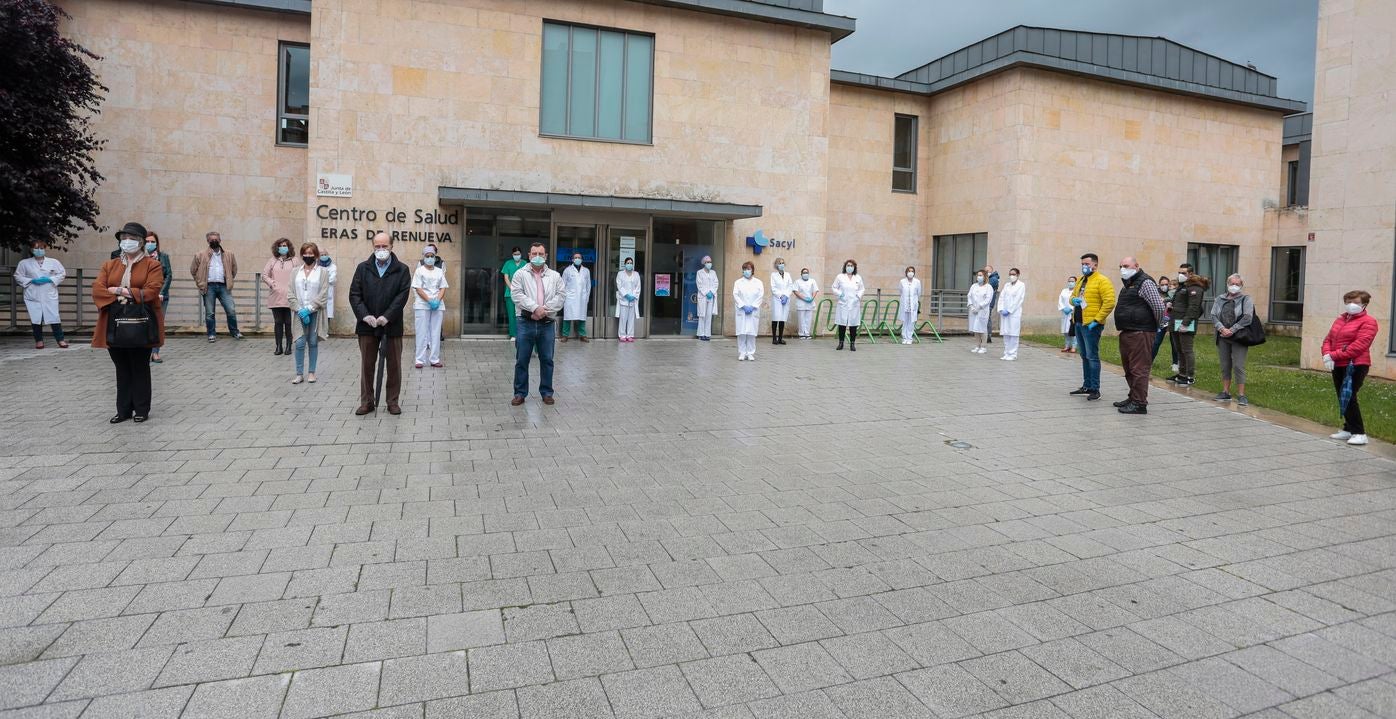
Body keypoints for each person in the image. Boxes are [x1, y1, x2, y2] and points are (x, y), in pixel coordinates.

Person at [92, 222, 164, 423]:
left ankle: (141, 408)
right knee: (121, 367)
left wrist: (122, 291)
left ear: (140, 242)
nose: (126, 242)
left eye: (131, 238)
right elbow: (98, 289)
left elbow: (152, 291)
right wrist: (122, 294)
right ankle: (123, 410)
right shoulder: (110, 264)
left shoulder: (153, 265)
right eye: (123, 238)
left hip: (141, 322)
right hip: (114, 322)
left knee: (139, 366)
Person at [349, 233, 411, 415]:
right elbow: (354, 294)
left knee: (394, 365)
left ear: (392, 246)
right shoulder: (363, 268)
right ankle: (367, 401)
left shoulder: (402, 269)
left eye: (384, 246)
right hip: (367, 326)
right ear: (373, 247)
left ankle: (392, 401)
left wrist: (388, 316)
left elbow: (402, 296)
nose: (381, 250)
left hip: (392, 326)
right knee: (367, 365)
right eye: (378, 246)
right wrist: (365, 315)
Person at [510, 242, 564, 405]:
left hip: (547, 323)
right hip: (525, 322)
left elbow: (561, 296)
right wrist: (534, 308)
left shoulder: (555, 276)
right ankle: (520, 393)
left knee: (547, 359)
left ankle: (547, 392)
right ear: (529, 255)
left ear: (546, 256)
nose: (537, 257)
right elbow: (517, 295)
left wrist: (544, 310)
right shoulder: (520, 274)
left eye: (541, 254)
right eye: (534, 254)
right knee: (522, 360)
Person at [1323, 290, 1379, 446]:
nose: (1350, 305)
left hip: (1356, 364)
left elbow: (1360, 345)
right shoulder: (1340, 319)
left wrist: (1333, 355)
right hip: (1338, 364)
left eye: (1355, 302)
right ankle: (1348, 429)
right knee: (1342, 396)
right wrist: (1326, 353)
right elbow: (1329, 339)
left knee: (1349, 397)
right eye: (1347, 302)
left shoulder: (1369, 322)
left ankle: (1359, 433)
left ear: (1364, 304)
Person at [1113, 257, 1166, 414]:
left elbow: (1158, 306)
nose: (1123, 269)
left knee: (1139, 369)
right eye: (1121, 266)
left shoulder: (1145, 282)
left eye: (1126, 266)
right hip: (1128, 331)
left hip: (1141, 332)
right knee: (1129, 368)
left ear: (1136, 266)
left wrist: (1156, 325)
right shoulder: (1128, 285)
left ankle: (1139, 403)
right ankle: (1133, 396)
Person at [1069, 253, 1116, 401]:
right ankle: (1087, 385)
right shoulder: (1082, 280)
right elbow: (1072, 297)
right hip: (1078, 321)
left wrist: (1097, 319)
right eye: (1082, 264)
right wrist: (1073, 301)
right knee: (1084, 356)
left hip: (1091, 325)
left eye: (1087, 264)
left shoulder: (1102, 281)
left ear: (1095, 265)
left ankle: (1095, 389)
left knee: (1092, 356)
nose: (1084, 266)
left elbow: (1109, 302)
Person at [14, 239, 67, 349]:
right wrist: (31, 281)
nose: (39, 250)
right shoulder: (24, 263)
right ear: (32, 249)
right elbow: (18, 276)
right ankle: (39, 341)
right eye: (36, 248)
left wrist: (50, 279)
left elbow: (62, 274)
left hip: (49, 294)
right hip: (33, 294)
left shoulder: (54, 262)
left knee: (54, 317)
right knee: (36, 318)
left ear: (45, 249)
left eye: (41, 248)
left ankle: (60, 340)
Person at [190, 231, 243, 342]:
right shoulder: (200, 255)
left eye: (216, 239)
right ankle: (211, 334)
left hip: (224, 286)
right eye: (211, 239)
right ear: (208, 241)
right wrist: (200, 283)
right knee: (210, 312)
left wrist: (229, 279)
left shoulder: (229, 254)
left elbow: (234, 269)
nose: (214, 241)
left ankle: (235, 332)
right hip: (209, 287)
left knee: (231, 310)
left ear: (220, 240)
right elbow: (193, 270)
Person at [289, 242, 330, 385]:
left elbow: (324, 293)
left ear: (316, 255)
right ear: (302, 255)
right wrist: (300, 310)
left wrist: (310, 309)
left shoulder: (323, 272)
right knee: (299, 343)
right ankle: (299, 374)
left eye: (311, 253)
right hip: (299, 313)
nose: (308, 256)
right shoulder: (295, 271)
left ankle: (312, 372)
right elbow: (290, 293)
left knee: (313, 342)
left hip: (315, 313)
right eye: (305, 253)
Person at [1211, 274, 1254, 407]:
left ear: (1241, 286)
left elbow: (1248, 317)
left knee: (1238, 366)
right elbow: (1213, 315)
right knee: (1225, 365)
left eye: (1237, 284)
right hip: (1222, 336)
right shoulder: (1220, 298)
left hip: (1238, 337)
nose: (1234, 286)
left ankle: (1241, 395)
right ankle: (1225, 392)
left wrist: (1232, 329)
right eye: (1232, 283)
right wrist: (1222, 328)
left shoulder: (1246, 299)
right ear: (1227, 283)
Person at [1168, 262, 1208, 387]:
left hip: (1186, 323)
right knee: (1179, 349)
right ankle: (1182, 374)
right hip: (1176, 321)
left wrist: (1186, 323)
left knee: (1187, 350)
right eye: (1179, 272)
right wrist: (1171, 306)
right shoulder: (1183, 286)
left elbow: (1194, 307)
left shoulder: (1195, 287)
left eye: (1183, 273)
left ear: (1190, 273)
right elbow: (1181, 303)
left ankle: (1189, 376)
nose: (1180, 275)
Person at [410, 245, 449, 368]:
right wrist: (429, 300)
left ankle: (434, 359)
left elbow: (443, 287)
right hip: (422, 305)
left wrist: (437, 300)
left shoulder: (439, 271)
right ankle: (419, 360)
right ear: (424, 257)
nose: (430, 258)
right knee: (421, 332)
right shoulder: (419, 270)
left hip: (438, 305)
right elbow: (418, 288)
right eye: (428, 256)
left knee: (436, 333)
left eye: (432, 256)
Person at [263, 238, 296, 355]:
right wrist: (272, 283)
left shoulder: (295, 261)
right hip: (276, 295)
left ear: (289, 247)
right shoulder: (272, 261)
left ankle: (288, 346)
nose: (283, 247)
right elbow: (265, 275)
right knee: (278, 322)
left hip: (290, 296)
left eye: (285, 245)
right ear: (277, 247)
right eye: (281, 245)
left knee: (288, 322)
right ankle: (278, 346)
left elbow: (299, 275)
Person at [145, 232, 172, 363]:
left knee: (157, 324)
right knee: (145, 323)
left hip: (160, 296)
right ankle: (145, 351)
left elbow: (168, 275)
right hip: (144, 296)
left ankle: (155, 352)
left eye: (152, 241)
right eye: (147, 241)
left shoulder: (163, 257)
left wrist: (162, 292)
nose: (150, 244)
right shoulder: (140, 258)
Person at [732, 261, 764, 361]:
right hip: (742, 311)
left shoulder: (758, 282)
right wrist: (743, 306)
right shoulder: (738, 282)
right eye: (745, 269)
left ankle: (750, 353)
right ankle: (742, 352)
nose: (746, 271)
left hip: (753, 311)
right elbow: (735, 295)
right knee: (741, 332)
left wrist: (753, 306)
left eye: (748, 269)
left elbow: (760, 295)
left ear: (752, 270)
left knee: (751, 333)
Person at [831, 259, 865, 351]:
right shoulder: (840, 277)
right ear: (845, 267)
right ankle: (841, 343)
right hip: (843, 303)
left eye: (851, 266)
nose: (849, 267)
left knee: (853, 324)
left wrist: (857, 297)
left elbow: (862, 289)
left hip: (854, 304)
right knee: (842, 324)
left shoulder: (858, 277)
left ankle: (852, 344)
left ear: (854, 268)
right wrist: (840, 294)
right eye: (848, 265)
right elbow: (834, 287)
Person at [560, 252, 591, 342]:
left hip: (582, 297)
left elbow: (588, 286)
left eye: (579, 257)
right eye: (575, 257)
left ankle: (582, 335)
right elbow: (562, 285)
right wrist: (563, 297)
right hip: (570, 298)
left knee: (582, 316)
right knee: (567, 316)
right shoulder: (567, 270)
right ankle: (565, 335)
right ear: (572, 260)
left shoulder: (586, 271)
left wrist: (587, 297)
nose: (577, 259)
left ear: (581, 259)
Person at [1153, 274, 1180, 372]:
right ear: (1159, 285)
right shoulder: (1155, 293)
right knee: (1156, 342)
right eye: (1162, 284)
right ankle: (1150, 361)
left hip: (1173, 321)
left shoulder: (1174, 293)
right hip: (1162, 321)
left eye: (1166, 284)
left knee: (1174, 343)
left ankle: (1175, 363)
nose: (1164, 286)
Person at [997, 268, 1026, 360]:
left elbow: (1018, 299)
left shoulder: (1021, 285)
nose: (1011, 276)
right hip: (1004, 313)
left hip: (1014, 313)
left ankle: (1013, 354)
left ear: (1018, 275)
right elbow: (1001, 297)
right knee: (1006, 333)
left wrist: (1009, 310)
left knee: (1013, 333)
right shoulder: (1006, 285)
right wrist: (1001, 309)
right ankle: (1006, 353)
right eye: (1010, 274)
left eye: (1013, 274)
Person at [501, 247, 527, 342]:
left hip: (523, 294)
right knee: (512, 314)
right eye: (515, 254)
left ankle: (522, 334)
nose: (517, 256)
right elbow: (506, 278)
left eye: (518, 254)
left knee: (522, 315)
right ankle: (513, 334)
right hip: (510, 293)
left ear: (521, 254)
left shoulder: (525, 264)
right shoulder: (508, 263)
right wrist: (512, 288)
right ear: (512, 255)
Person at [614, 258, 642, 342]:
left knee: (631, 319)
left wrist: (634, 296)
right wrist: (626, 295)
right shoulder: (620, 274)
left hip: (633, 299)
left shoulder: (636, 274)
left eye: (631, 263)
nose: (629, 264)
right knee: (623, 318)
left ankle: (630, 335)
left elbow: (638, 286)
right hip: (623, 299)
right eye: (628, 263)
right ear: (625, 264)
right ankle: (622, 335)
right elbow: (619, 285)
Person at [966, 270, 994, 353]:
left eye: (981, 275)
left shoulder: (988, 287)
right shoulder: (974, 286)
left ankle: (983, 347)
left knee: (982, 329)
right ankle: (977, 345)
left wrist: (979, 306)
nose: (979, 277)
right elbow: (969, 296)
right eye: (978, 275)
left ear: (985, 277)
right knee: (975, 329)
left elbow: (988, 299)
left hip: (982, 311)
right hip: (973, 311)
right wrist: (971, 306)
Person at [769, 257, 794, 345]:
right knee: (776, 318)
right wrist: (781, 296)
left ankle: (780, 338)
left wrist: (786, 296)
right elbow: (773, 288)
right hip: (777, 299)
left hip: (786, 299)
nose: (781, 265)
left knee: (782, 319)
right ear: (776, 265)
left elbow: (790, 286)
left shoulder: (788, 274)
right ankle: (774, 338)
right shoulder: (773, 275)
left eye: (782, 263)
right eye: (779, 263)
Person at [695, 255, 719, 341]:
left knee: (709, 316)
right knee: (702, 315)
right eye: (708, 262)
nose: (709, 263)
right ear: (704, 263)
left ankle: (707, 334)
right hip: (703, 296)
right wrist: (706, 292)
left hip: (711, 296)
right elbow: (699, 284)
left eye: (710, 262)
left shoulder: (713, 272)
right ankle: (701, 334)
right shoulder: (699, 272)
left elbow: (716, 283)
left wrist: (711, 292)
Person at [793, 267, 819, 339]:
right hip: (801, 303)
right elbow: (795, 291)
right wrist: (804, 298)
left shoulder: (812, 281)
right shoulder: (797, 281)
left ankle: (807, 334)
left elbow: (815, 290)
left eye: (806, 272)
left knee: (808, 319)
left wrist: (812, 298)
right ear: (801, 274)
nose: (805, 274)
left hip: (810, 303)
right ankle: (801, 334)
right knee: (801, 319)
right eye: (804, 273)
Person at [898, 266, 921, 344]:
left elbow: (919, 293)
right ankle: (904, 338)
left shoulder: (917, 282)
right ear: (906, 272)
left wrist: (915, 302)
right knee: (905, 322)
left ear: (914, 272)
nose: (910, 273)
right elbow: (901, 291)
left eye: (912, 271)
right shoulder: (902, 281)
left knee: (911, 322)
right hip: (905, 305)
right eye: (909, 271)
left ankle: (910, 338)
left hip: (913, 305)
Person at [317, 250, 338, 338]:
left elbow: (332, 279)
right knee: (318, 311)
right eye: (322, 255)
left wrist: (322, 280)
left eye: (325, 254)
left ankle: (325, 331)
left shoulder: (333, 266)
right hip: (318, 291)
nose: (324, 256)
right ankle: (317, 331)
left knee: (327, 313)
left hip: (328, 292)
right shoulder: (316, 265)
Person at [1057, 275, 1077, 353]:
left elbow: (1078, 301)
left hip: (1072, 313)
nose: (1070, 283)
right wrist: (1063, 308)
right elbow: (1060, 300)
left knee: (1072, 331)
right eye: (1069, 281)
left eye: (1072, 281)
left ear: (1076, 282)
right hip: (1065, 313)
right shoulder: (1064, 291)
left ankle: (1074, 347)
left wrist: (1071, 308)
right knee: (1065, 331)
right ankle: (1067, 346)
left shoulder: (1076, 291)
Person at [984, 264, 1000, 344]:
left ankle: (988, 335)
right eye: (985, 271)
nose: (986, 272)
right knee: (985, 318)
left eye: (987, 271)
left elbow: (985, 287)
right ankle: (985, 335)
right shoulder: (987, 278)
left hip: (989, 302)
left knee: (987, 318)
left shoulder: (993, 279)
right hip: (984, 302)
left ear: (991, 270)